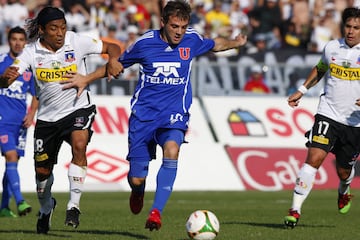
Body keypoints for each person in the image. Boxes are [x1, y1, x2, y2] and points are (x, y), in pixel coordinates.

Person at [62, 0, 247, 232]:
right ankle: (137, 190)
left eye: (183, 26)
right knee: (137, 178)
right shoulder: (144, 43)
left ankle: (156, 212)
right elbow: (116, 66)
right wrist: (86, 79)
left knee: (172, 150)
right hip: (144, 117)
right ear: (163, 23)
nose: (179, 32)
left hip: (174, 114)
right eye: (174, 26)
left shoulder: (192, 39)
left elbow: (215, 45)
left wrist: (235, 42)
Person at [0, 6, 123, 234]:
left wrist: (113, 58)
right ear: (42, 30)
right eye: (54, 29)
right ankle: (47, 208)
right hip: (47, 120)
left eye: (63, 28)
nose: (60, 33)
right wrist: (5, 79)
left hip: (78, 108)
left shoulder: (76, 41)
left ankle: (73, 206)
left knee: (79, 144)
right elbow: (9, 78)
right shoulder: (30, 52)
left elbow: (112, 46)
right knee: (42, 175)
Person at [284, 7, 360, 229]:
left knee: (344, 171)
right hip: (328, 112)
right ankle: (294, 210)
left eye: (356, 28)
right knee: (314, 157)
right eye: (348, 26)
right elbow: (320, 69)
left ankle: (344, 189)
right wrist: (302, 89)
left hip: (355, 122)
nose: (351, 31)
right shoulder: (332, 47)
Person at [0, 26, 37, 218]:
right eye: (14, 39)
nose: (17, 43)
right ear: (9, 41)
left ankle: (4, 207)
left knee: (12, 164)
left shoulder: (28, 67)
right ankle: (20, 201)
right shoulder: (2, 62)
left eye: (21, 40)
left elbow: (36, 94)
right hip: (2, 121)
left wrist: (31, 114)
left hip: (20, 124)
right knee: (12, 158)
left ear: (25, 42)